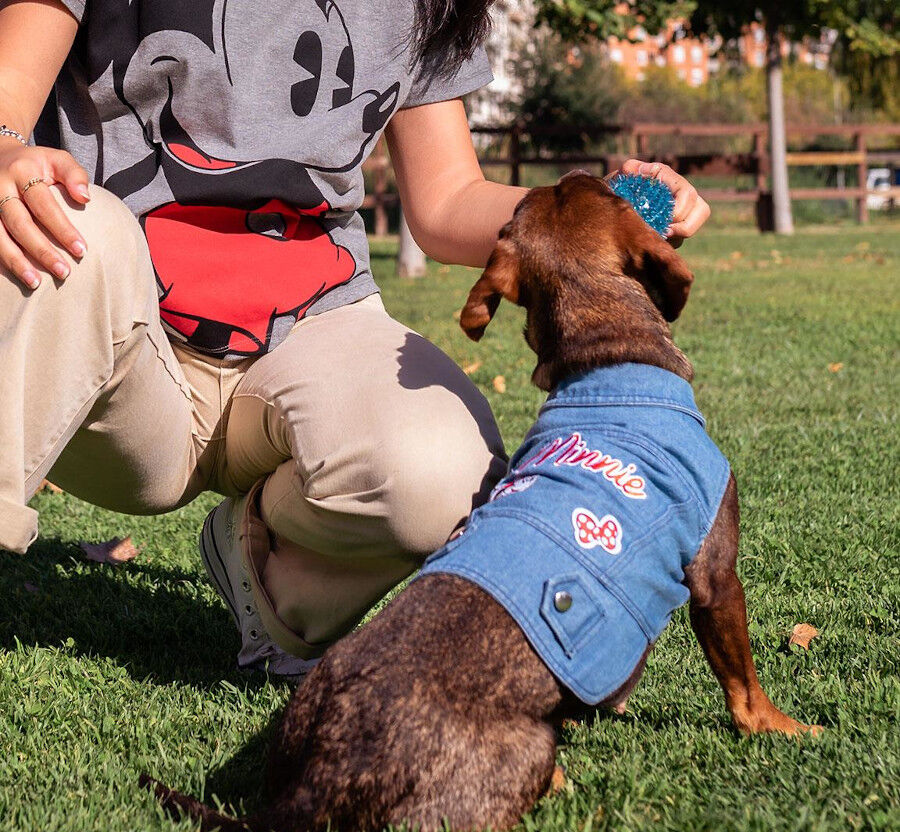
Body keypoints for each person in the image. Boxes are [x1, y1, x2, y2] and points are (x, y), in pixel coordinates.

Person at [0, 0, 710, 676]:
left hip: (308, 330)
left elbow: (447, 199)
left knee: (448, 476)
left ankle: (268, 569)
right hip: (118, 351)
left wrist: (596, 213)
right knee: (47, 213)